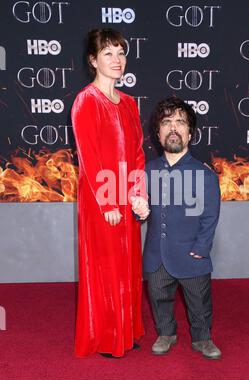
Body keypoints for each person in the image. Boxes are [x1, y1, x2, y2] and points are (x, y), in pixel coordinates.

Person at [71, 28, 149, 358]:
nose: (117, 60)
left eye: (120, 53)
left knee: (128, 267)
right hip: (99, 199)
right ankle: (106, 337)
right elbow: (89, 157)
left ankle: (127, 330)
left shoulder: (130, 103)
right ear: (93, 60)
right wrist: (107, 202)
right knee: (106, 269)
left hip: (124, 196)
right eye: (108, 54)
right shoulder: (86, 101)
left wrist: (137, 195)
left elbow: (137, 154)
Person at [143, 97, 221, 359]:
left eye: (180, 122)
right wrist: (137, 208)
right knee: (158, 297)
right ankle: (166, 333)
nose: (173, 128)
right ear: (158, 132)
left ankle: (202, 337)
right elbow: (139, 209)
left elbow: (210, 216)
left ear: (190, 133)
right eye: (166, 123)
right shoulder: (146, 171)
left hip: (192, 255)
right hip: (157, 255)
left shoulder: (205, 174)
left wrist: (202, 248)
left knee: (199, 301)